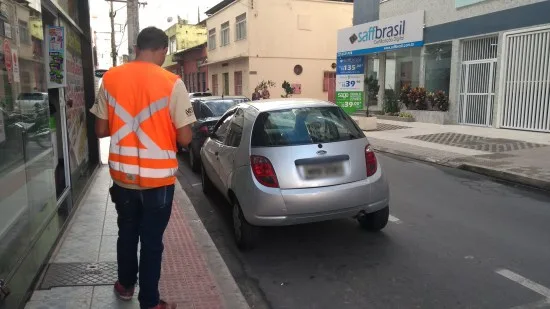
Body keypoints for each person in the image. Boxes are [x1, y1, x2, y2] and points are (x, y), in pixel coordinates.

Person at [90, 27, 195, 309]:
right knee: (151, 242)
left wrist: (128, 125)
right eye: (165, 52)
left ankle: (125, 286)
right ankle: (149, 302)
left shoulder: (110, 78)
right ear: (161, 49)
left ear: (137, 48)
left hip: (123, 179)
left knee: (126, 232)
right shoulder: (173, 83)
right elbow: (185, 138)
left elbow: (100, 129)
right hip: (158, 183)